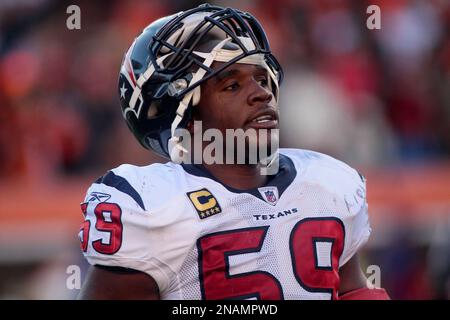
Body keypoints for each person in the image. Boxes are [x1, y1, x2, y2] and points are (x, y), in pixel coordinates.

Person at [77, 4, 390, 300]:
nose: (261, 93)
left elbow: (351, 290)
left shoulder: (325, 184)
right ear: (185, 117)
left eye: (262, 78)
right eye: (232, 86)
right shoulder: (150, 207)